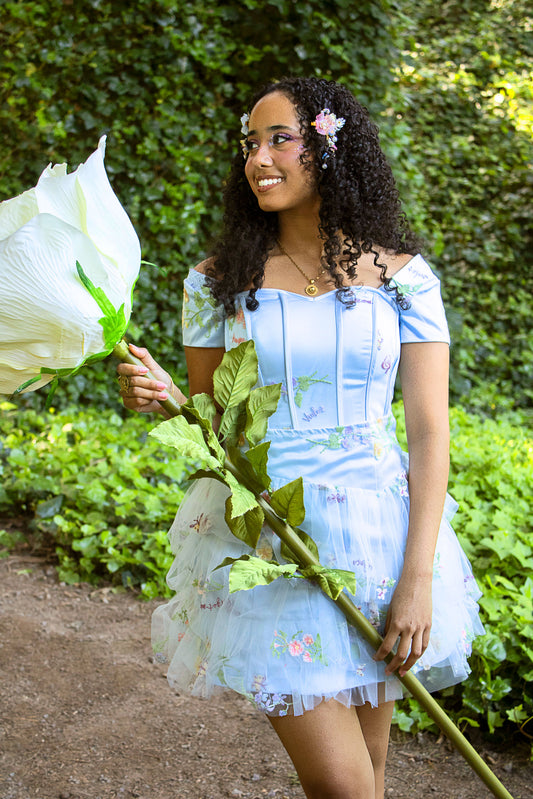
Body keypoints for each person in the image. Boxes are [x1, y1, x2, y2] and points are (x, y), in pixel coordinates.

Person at [117, 77, 483, 799]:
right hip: (270, 542)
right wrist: (163, 404)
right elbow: (211, 426)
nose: (258, 157)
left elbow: (429, 434)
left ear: (329, 147)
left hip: (382, 542)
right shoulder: (215, 285)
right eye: (249, 142)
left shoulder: (404, 280)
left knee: (371, 775)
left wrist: (414, 581)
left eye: (279, 138)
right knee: (342, 783)